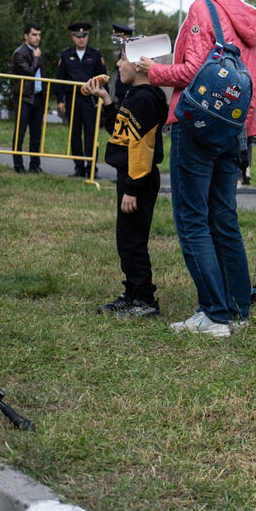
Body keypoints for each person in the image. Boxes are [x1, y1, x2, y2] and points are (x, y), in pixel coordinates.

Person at [138, 0, 256, 337]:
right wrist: (234, 108)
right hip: (236, 133)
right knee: (224, 218)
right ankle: (237, 309)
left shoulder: (203, 10)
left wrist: (154, 70)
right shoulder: (250, 20)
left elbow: (193, 70)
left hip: (196, 127)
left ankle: (214, 314)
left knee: (192, 219)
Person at [85, 56, 168, 318]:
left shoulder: (145, 98)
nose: (118, 66)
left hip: (138, 178)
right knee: (126, 238)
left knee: (133, 241)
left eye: (122, 60)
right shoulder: (136, 94)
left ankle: (144, 299)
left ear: (140, 65)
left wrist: (132, 187)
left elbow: (142, 148)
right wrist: (106, 100)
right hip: (132, 175)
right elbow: (120, 133)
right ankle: (132, 292)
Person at [56, 22, 106, 177]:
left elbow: (103, 78)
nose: (81, 39)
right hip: (72, 99)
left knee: (92, 134)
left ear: (88, 37)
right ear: (73, 37)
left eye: (84, 36)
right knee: (75, 133)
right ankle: (78, 167)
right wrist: (60, 100)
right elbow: (60, 79)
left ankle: (91, 168)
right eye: (78, 36)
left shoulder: (96, 54)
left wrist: (101, 100)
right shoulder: (66, 55)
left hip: (90, 100)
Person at [11, 23, 46, 175]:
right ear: (26, 36)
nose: (37, 38)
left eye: (39, 35)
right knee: (20, 132)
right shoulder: (20, 53)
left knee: (36, 134)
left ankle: (35, 165)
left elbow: (41, 75)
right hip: (24, 98)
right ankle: (18, 166)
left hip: (38, 97)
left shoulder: (38, 52)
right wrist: (36, 58)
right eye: (34, 34)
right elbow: (30, 72)